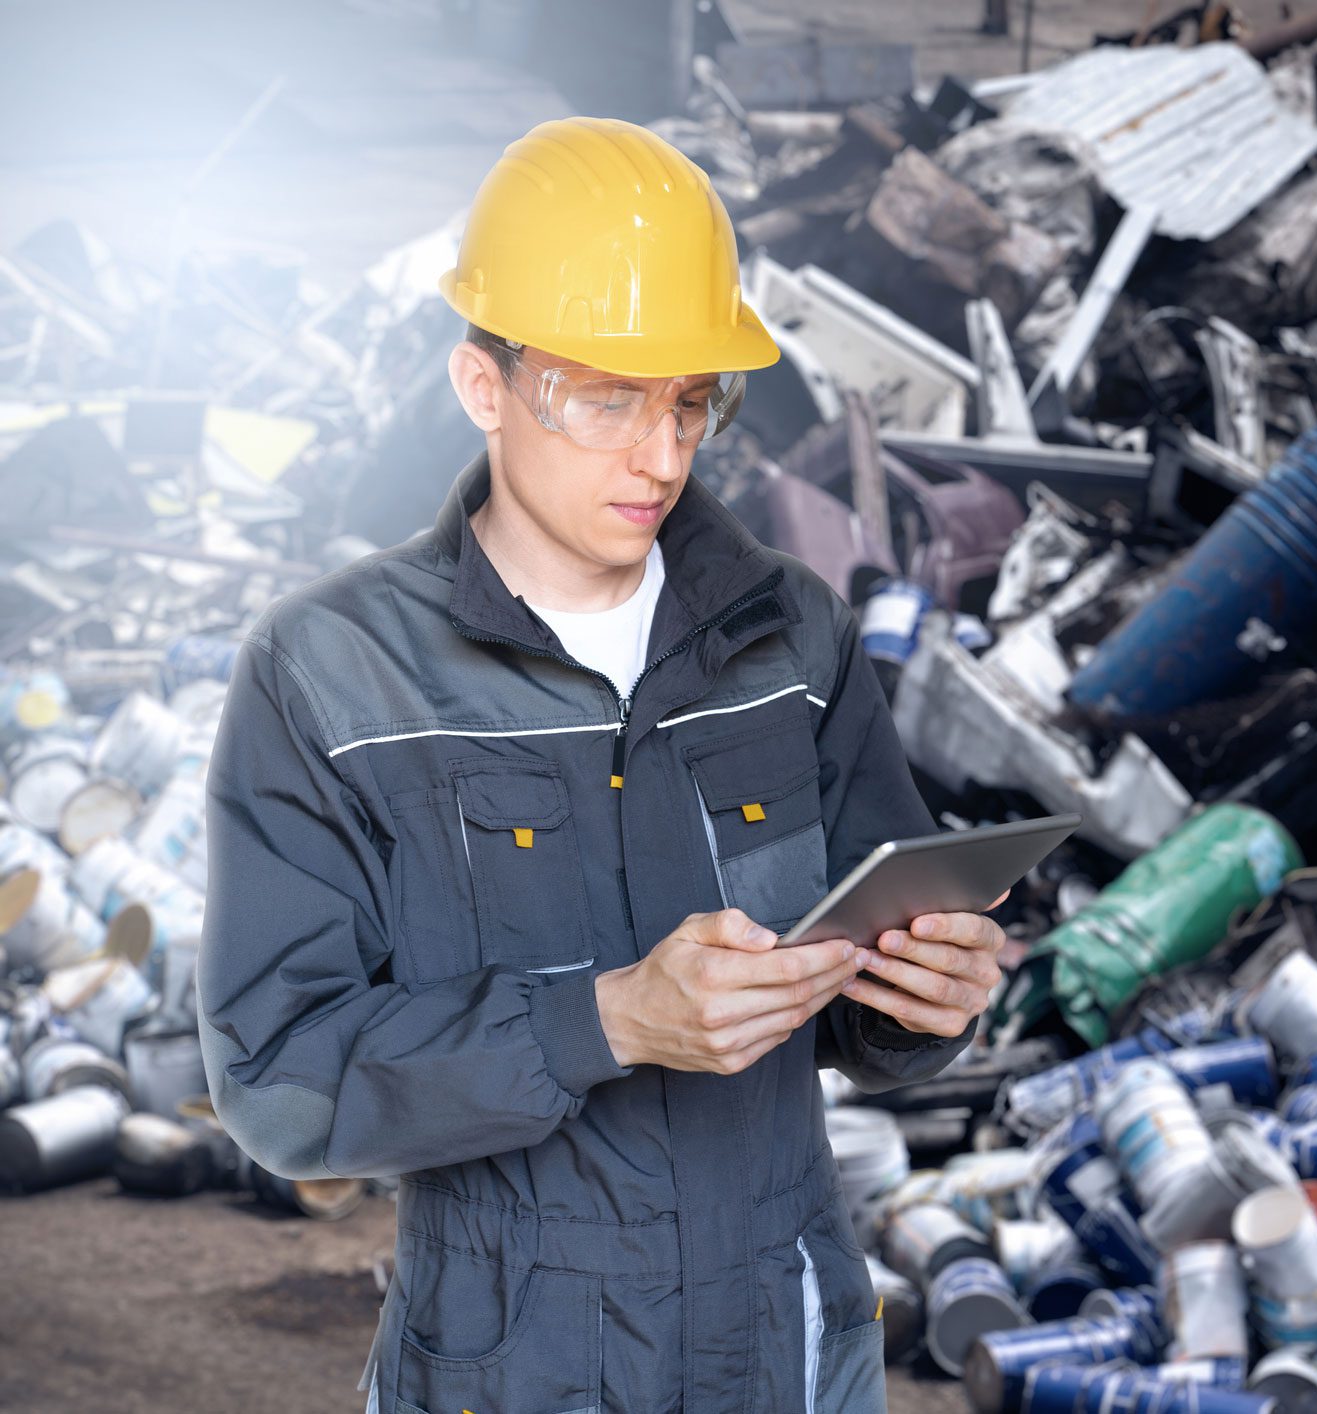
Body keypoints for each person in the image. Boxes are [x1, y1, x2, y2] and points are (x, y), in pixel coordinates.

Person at [195, 116, 1003, 1414]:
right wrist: (607, 1019)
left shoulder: (789, 633)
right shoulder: (334, 675)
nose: (662, 453)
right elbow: (282, 1076)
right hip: (518, 1358)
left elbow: (859, 995)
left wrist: (928, 993)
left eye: (691, 398)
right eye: (607, 396)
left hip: (786, 1349)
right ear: (484, 385)